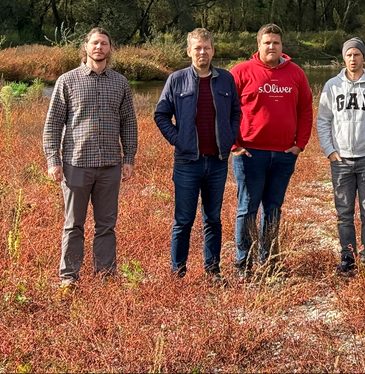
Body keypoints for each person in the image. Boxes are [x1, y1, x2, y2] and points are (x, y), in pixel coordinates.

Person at [43, 28, 137, 287]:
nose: (99, 47)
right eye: (94, 43)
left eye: (104, 43)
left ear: (110, 48)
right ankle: (69, 277)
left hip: (110, 166)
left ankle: (105, 276)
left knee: (106, 225)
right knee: (73, 224)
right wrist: (54, 161)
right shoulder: (67, 81)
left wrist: (128, 158)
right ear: (86, 47)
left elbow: (129, 123)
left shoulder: (120, 83)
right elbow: (53, 125)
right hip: (76, 166)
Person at [154, 28, 241, 282]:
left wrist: (230, 137)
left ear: (213, 50)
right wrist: (178, 140)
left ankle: (213, 271)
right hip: (187, 162)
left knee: (213, 219)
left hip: (217, 162)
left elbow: (236, 112)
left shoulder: (225, 79)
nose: (202, 52)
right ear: (189, 51)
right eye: (197, 47)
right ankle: (177, 273)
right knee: (183, 220)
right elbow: (161, 115)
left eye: (207, 47)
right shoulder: (177, 79)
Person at [230, 23, 313, 278]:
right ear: (258, 45)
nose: (272, 46)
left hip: (284, 155)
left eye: (276, 42)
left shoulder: (296, 73)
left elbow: (306, 110)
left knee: (273, 209)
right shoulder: (241, 72)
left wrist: (300, 144)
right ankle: (243, 262)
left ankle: (269, 260)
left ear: (282, 46)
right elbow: (226, 111)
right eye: (267, 42)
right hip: (251, 153)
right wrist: (234, 145)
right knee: (248, 208)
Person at [316, 38, 365, 274]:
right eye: (348, 54)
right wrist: (330, 151)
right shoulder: (332, 86)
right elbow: (323, 121)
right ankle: (347, 258)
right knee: (344, 213)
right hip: (341, 162)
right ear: (343, 57)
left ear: (363, 57)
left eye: (357, 54)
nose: (352, 58)